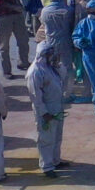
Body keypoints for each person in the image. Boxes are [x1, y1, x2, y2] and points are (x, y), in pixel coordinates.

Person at [28, 40, 70, 175]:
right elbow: (35, 96)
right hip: (46, 108)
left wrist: (57, 65)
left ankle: (55, 160)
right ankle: (47, 166)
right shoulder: (35, 71)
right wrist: (44, 112)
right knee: (46, 139)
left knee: (57, 136)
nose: (52, 56)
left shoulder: (50, 67)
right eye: (49, 54)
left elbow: (63, 76)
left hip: (57, 106)